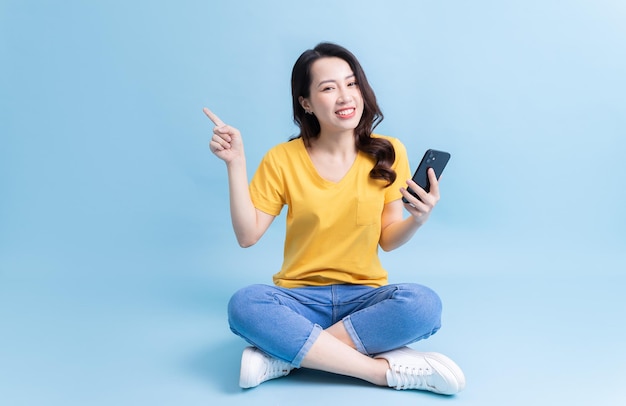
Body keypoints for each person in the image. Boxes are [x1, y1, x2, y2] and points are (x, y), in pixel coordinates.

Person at [203, 42, 465, 395]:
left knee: (424, 304)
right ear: (306, 103)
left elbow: (388, 238)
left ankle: (286, 356)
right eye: (329, 88)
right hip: (298, 300)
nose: (345, 97)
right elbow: (247, 235)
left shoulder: (389, 153)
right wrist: (235, 164)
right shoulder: (282, 159)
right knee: (245, 305)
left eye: (351, 83)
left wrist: (418, 219)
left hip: (363, 300)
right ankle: (381, 371)